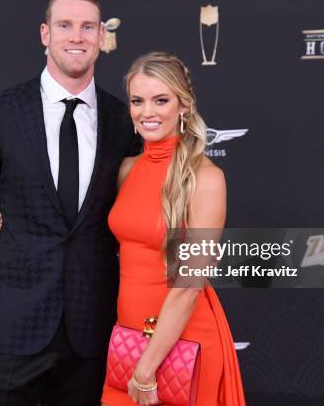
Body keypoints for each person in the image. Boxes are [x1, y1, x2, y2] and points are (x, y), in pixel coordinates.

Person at [0, 0, 140, 406]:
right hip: (11, 321)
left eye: (88, 27)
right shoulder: (2, 111)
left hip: (94, 325)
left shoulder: (125, 120)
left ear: (102, 37)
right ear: (45, 34)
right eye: (65, 24)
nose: (77, 36)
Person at [101, 52, 246, 405]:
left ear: (184, 105)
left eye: (161, 100)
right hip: (127, 338)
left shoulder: (206, 179)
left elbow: (188, 286)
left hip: (182, 343)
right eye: (138, 101)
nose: (147, 112)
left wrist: (146, 368)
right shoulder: (127, 170)